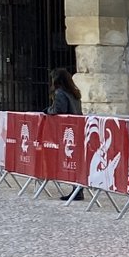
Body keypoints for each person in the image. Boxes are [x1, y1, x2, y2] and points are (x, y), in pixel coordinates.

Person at [45, 68, 85, 201]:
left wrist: (48, 110)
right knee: (76, 161)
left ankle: (76, 189)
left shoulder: (60, 93)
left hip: (68, 130)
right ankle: (77, 189)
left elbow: (59, 109)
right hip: (78, 128)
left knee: (70, 160)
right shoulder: (74, 92)